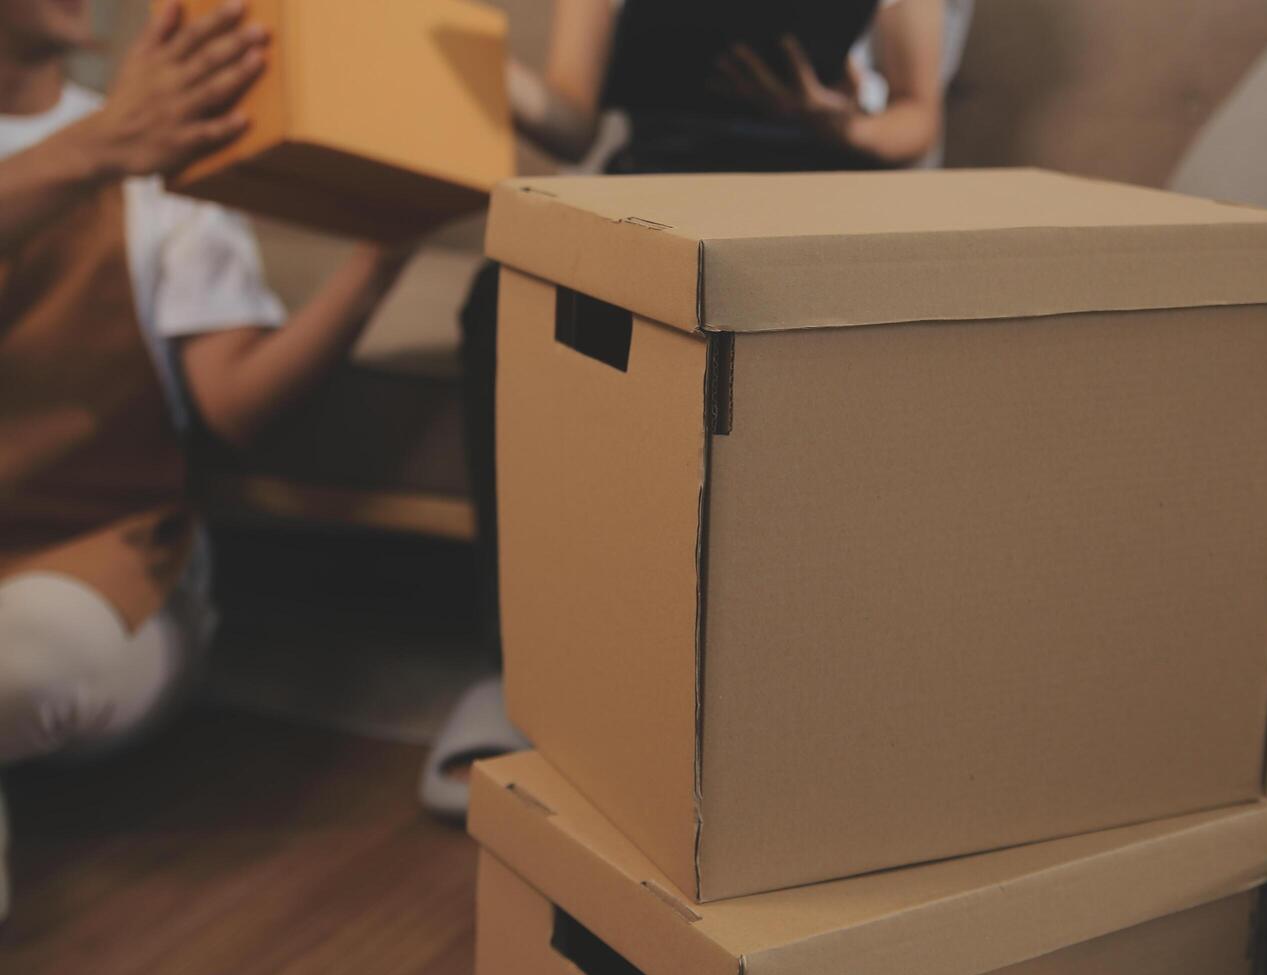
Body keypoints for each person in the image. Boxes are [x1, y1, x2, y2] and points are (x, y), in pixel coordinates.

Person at [422, 0, 972, 815]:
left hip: (815, 194)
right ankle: (523, 671)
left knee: (823, 340)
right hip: (656, 189)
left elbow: (916, 116)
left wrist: (837, 124)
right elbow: (572, 119)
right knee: (505, 302)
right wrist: (451, 55)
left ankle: (807, 687)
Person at [0, 0, 415, 916]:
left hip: (93, 564)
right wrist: (97, 147)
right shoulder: (116, 140)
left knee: (18, 669)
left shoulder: (157, 157)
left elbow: (233, 404)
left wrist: (380, 261)